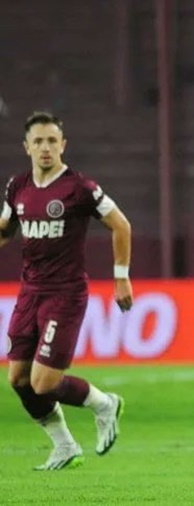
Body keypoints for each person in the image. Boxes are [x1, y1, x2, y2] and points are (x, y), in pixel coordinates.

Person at [1, 111, 131, 470]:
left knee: (43, 383)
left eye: (52, 141)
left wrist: (121, 277)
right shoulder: (17, 187)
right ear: (26, 147)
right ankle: (64, 445)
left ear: (63, 145)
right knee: (18, 379)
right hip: (29, 293)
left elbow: (120, 225)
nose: (46, 148)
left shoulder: (79, 188)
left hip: (65, 294)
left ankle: (105, 404)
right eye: (38, 141)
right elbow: (5, 229)